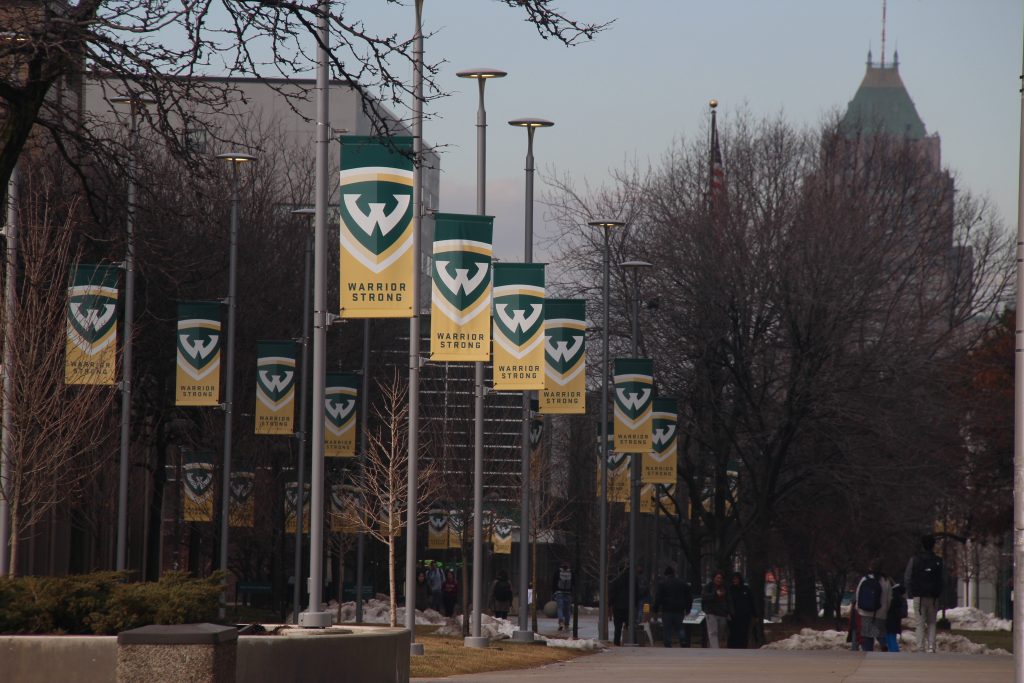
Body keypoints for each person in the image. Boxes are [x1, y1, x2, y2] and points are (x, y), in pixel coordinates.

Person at [904, 534, 944, 653]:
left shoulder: (915, 560)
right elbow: (943, 578)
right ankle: (931, 646)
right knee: (932, 622)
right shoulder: (938, 561)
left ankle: (920, 646)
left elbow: (907, 577)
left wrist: (910, 591)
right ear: (933, 546)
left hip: (919, 596)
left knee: (920, 622)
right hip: (933, 597)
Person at [855, 560, 892, 651]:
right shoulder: (885, 580)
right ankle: (884, 644)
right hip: (881, 613)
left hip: (865, 612)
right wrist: (885, 610)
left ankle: (868, 652)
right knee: (879, 633)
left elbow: (858, 594)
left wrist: (858, 609)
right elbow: (889, 598)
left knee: (867, 636)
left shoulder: (865, 579)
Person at [653, 566, 693, 647]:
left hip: (667, 610)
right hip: (679, 610)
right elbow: (689, 597)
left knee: (667, 629)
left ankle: (668, 644)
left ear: (666, 574)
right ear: (674, 573)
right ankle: (683, 639)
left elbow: (658, 598)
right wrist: (688, 608)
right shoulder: (682, 583)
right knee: (680, 627)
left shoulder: (662, 584)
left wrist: (655, 609)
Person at [701, 570, 731, 648]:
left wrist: (729, 611)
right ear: (714, 578)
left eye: (720, 578)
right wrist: (715, 594)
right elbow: (704, 597)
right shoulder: (708, 587)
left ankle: (712, 646)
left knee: (721, 632)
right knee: (713, 632)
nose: (719, 580)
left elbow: (728, 600)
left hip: (722, 613)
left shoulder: (725, 587)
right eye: (717, 578)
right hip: (711, 612)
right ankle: (715, 649)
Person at [727, 572, 757, 649]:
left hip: (745, 615)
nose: (735, 580)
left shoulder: (746, 589)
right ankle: (732, 647)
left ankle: (742, 647)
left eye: (736, 579)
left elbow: (751, 602)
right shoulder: (730, 590)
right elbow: (727, 602)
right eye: (733, 579)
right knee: (733, 632)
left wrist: (755, 614)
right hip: (733, 615)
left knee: (743, 632)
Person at [609, 566, 631, 646]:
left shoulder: (616, 581)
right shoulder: (633, 581)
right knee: (630, 626)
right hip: (629, 607)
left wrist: (610, 604)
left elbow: (612, 594)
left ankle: (617, 643)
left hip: (617, 607)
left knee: (617, 628)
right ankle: (630, 641)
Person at [551, 561, 574, 632]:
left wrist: (554, 592)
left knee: (560, 608)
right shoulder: (571, 573)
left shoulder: (558, 572)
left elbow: (554, 582)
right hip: (568, 593)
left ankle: (561, 622)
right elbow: (574, 583)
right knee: (567, 610)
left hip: (559, 593)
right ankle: (567, 624)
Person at [885, 582, 908, 652]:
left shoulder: (889, 598)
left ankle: (892, 651)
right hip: (896, 621)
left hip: (887, 620)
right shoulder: (902, 600)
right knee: (892, 637)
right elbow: (904, 613)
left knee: (888, 638)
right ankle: (894, 651)